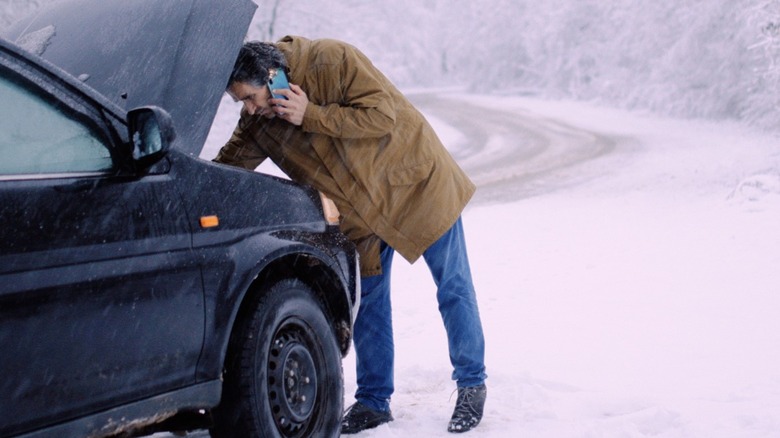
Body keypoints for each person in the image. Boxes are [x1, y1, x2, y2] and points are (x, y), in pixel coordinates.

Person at [213, 36, 487, 434]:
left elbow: (383, 115)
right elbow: (228, 168)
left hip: (414, 185)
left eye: (250, 98)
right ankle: (374, 402)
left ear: (273, 77)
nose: (250, 109)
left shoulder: (331, 60)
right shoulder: (259, 123)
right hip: (359, 217)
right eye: (242, 103)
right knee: (369, 308)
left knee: (453, 287)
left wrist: (312, 114)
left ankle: (471, 386)